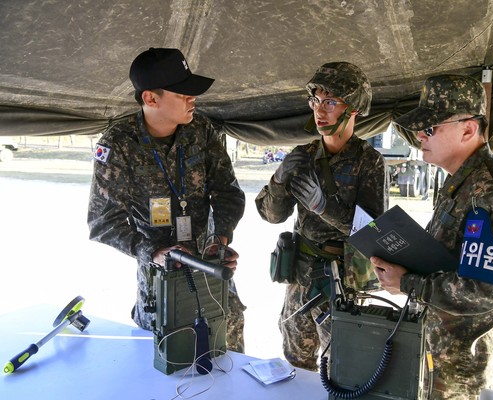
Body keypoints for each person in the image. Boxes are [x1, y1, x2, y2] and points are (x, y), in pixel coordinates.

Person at [372, 74, 493, 399]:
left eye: (431, 128)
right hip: (438, 359)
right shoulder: (461, 184)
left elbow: (487, 290)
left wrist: (407, 283)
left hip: (465, 375)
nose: (419, 135)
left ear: (468, 129)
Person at [87, 48, 247, 352]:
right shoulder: (118, 145)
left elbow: (227, 192)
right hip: (160, 276)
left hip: (209, 265)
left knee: (226, 349)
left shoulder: (201, 130)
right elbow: (102, 222)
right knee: (167, 358)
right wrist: (154, 251)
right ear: (151, 98)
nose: (193, 99)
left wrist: (220, 238)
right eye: (183, 94)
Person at [255, 61, 389, 371]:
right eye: (315, 101)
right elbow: (272, 216)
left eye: (330, 102)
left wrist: (323, 208)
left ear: (353, 108)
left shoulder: (369, 162)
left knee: (343, 365)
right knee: (295, 363)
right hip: (299, 276)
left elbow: (372, 232)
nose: (320, 110)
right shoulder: (304, 155)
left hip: (340, 282)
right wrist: (278, 180)